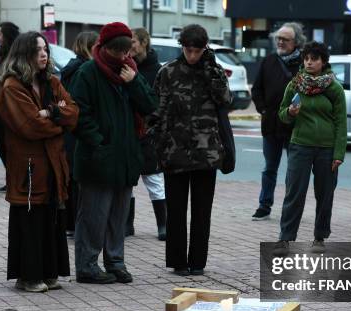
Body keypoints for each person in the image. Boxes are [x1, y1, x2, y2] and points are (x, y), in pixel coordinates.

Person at [70, 23, 157, 284]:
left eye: (125, 52)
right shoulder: (88, 72)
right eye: (117, 53)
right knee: (93, 216)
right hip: (98, 157)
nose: (122, 57)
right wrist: (99, 143)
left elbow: (150, 105)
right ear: (104, 48)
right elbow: (79, 114)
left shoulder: (130, 71)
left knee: (118, 215)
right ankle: (87, 266)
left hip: (125, 156)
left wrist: (134, 84)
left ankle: (115, 262)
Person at [0, 31, 79, 292]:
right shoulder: (11, 86)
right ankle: (28, 276)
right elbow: (30, 125)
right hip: (29, 167)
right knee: (31, 220)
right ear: (24, 55)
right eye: (37, 50)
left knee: (51, 219)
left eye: (45, 49)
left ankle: (49, 272)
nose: (44, 54)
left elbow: (73, 112)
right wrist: (59, 123)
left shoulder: (51, 83)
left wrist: (52, 112)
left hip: (53, 164)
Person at [152, 24, 231, 275]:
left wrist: (210, 68)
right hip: (174, 151)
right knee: (175, 211)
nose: (193, 56)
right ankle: (178, 262)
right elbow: (157, 109)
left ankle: (198, 262)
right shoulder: (168, 72)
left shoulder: (213, 71)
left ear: (204, 48)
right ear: (182, 47)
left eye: (197, 51)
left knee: (201, 212)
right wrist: (158, 142)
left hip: (206, 153)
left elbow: (224, 100)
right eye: (188, 50)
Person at [273, 41, 347, 255]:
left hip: (327, 148)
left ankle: (320, 237)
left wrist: (339, 153)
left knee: (324, 194)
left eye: (314, 59)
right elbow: (281, 114)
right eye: (306, 58)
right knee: (294, 193)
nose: (309, 62)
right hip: (300, 145)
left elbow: (341, 123)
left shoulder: (334, 87)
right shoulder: (295, 84)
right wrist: (290, 113)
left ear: (323, 62)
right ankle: (285, 238)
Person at [251, 22, 305, 220]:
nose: (280, 42)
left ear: (296, 42)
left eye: (285, 39)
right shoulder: (269, 61)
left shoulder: (303, 63)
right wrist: (263, 109)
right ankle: (264, 205)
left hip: (295, 126)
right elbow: (256, 90)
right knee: (269, 168)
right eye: (278, 38)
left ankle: (291, 207)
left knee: (294, 171)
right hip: (271, 125)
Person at [127, 27, 166, 241]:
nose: (129, 46)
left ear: (143, 42)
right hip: (129, 131)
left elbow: (158, 103)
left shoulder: (157, 70)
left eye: (132, 41)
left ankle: (163, 224)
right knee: (128, 180)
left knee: (154, 180)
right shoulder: (124, 66)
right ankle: (127, 225)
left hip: (149, 132)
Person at [60, 30, 98, 239]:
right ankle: (75, 223)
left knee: (71, 177)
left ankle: (69, 222)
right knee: (77, 178)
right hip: (77, 129)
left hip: (68, 130)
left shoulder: (70, 67)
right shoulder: (84, 69)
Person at [0, 21, 20, 193]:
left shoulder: (15, 57)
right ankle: (12, 181)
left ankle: (15, 182)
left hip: (8, 109)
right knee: (2, 146)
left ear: (7, 36)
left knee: (9, 147)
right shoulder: (4, 55)